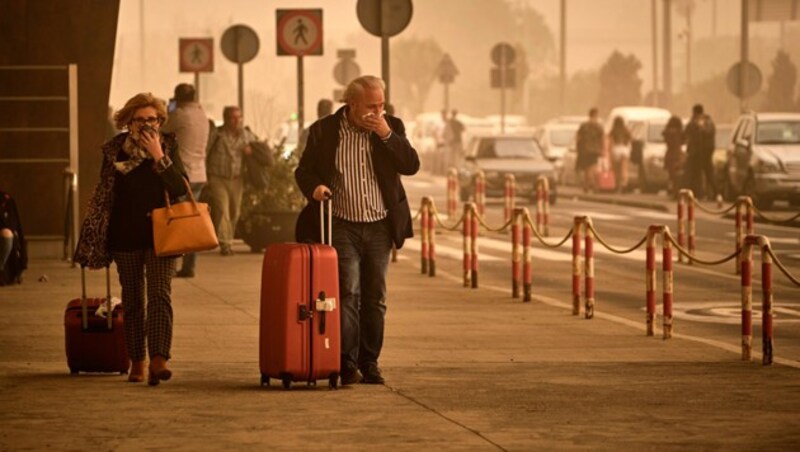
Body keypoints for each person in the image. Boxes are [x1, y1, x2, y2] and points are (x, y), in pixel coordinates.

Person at [294, 75, 420, 386]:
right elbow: (304, 170)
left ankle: (370, 361)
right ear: (352, 104)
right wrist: (316, 188)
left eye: (381, 105)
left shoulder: (391, 127)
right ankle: (346, 361)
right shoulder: (324, 131)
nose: (377, 112)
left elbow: (410, 165)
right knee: (348, 293)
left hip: (379, 224)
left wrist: (388, 135)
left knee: (375, 296)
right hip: (341, 223)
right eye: (370, 107)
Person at [73, 92, 188, 385]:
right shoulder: (115, 151)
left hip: (163, 233)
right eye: (140, 120)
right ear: (129, 122)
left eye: (153, 119)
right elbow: (104, 195)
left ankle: (159, 358)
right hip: (125, 234)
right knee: (134, 299)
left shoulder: (169, 146)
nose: (147, 125)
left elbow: (179, 189)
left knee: (160, 294)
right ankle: (137, 360)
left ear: (160, 120)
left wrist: (159, 157)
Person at [161, 83, 209, 277]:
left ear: (177, 97)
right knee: (193, 220)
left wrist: (170, 108)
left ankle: (171, 266)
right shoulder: (201, 113)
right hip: (199, 173)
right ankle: (189, 266)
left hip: (183, 174)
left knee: (177, 221)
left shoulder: (180, 114)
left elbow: (163, 129)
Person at [205, 106, 257, 256]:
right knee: (223, 209)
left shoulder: (246, 135)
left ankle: (227, 238)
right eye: (233, 118)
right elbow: (206, 151)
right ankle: (225, 244)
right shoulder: (217, 134)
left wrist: (251, 152)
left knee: (235, 211)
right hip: (217, 177)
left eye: (239, 117)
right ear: (226, 119)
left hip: (237, 178)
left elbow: (258, 151)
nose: (236, 121)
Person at [683, 104, 716, 200]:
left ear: (696, 112)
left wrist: (698, 125)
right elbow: (687, 131)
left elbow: (707, 132)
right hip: (696, 152)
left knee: (706, 173)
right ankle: (697, 194)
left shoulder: (706, 121)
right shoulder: (695, 121)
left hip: (704, 152)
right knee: (696, 173)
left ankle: (712, 194)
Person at [575, 108, 604, 192]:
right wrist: (602, 149)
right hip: (595, 150)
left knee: (586, 168)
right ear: (596, 115)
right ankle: (592, 184)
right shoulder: (599, 126)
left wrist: (578, 148)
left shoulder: (584, 125)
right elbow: (602, 138)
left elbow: (578, 137)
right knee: (592, 167)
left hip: (584, 150)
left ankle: (587, 185)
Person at [606, 116, 632, 192]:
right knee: (624, 168)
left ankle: (617, 185)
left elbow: (610, 140)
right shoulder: (626, 130)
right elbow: (631, 139)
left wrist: (609, 152)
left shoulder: (614, 130)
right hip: (624, 149)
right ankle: (624, 184)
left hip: (616, 149)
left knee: (616, 169)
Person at [662, 115, 685, 195]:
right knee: (677, 172)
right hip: (677, 154)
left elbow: (665, 139)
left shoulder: (667, 132)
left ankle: (671, 189)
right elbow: (683, 141)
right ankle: (676, 189)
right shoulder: (679, 132)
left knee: (671, 173)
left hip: (669, 154)